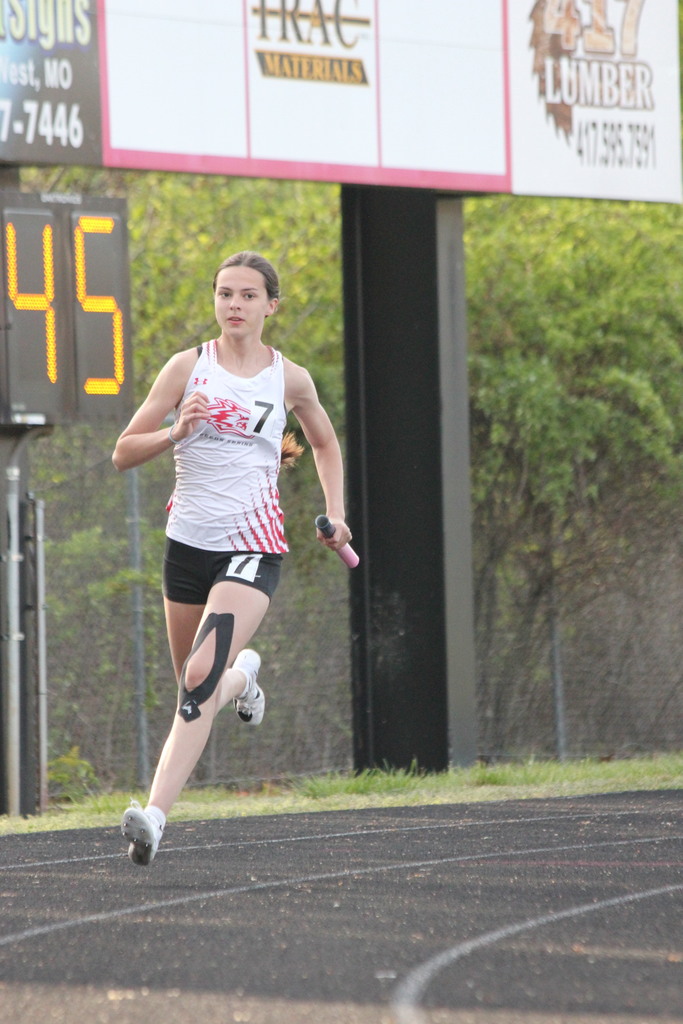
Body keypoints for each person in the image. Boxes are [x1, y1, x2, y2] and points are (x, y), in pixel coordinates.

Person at [112, 250, 351, 865]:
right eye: (225, 294)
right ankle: (244, 679)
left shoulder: (290, 379)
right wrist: (174, 432)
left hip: (253, 546)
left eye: (248, 295)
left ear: (271, 306)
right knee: (196, 688)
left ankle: (153, 820)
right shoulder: (186, 367)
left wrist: (336, 512)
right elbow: (122, 452)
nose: (235, 305)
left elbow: (324, 443)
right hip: (187, 547)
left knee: (197, 679)